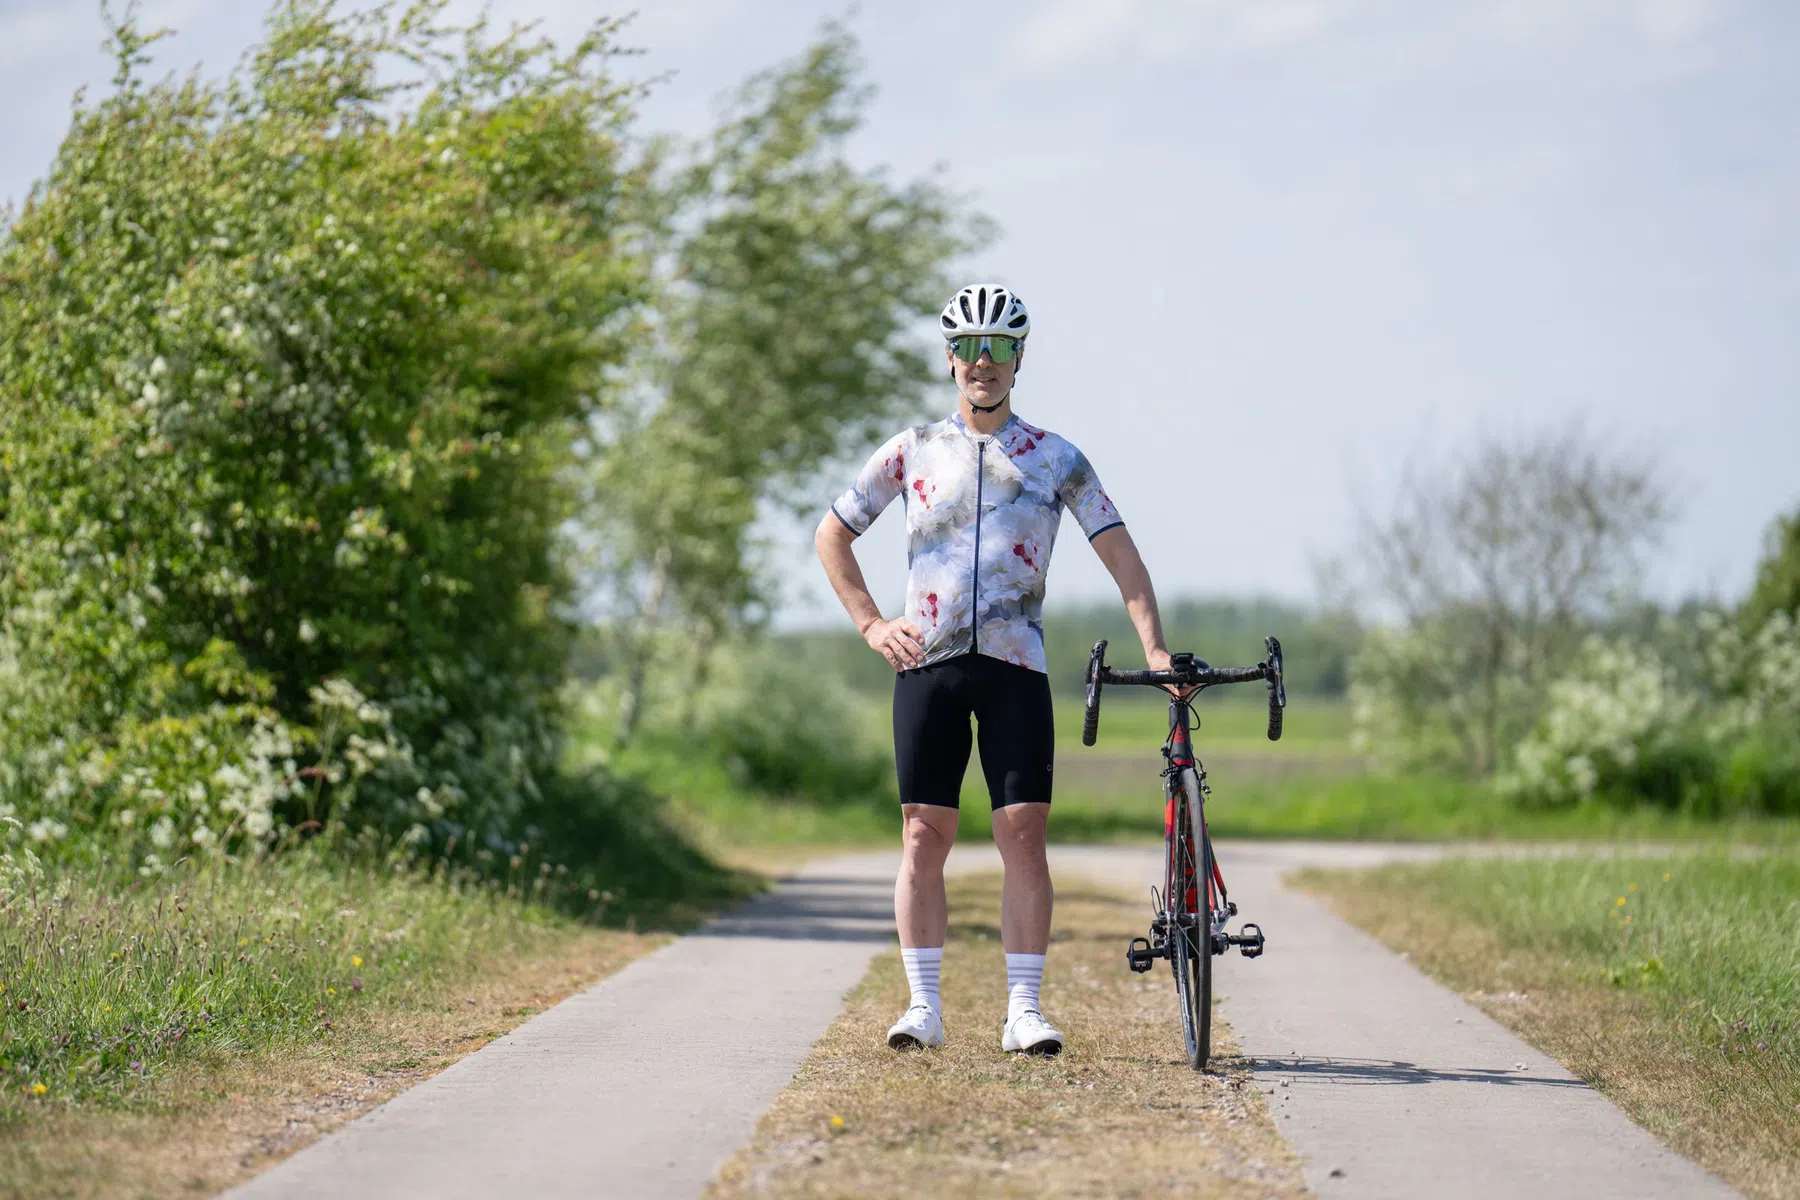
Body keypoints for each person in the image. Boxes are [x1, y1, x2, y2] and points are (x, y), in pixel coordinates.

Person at [815, 283, 1185, 1056]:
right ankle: (923, 1007)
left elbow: (1123, 556)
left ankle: (1024, 1010)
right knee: (924, 832)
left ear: (1021, 359)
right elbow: (832, 536)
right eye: (972, 347)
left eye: (1002, 347)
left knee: (1023, 833)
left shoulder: (1056, 457)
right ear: (950, 358)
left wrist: (1154, 649)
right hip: (931, 663)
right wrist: (872, 623)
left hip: (1017, 664)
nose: (985, 361)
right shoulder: (911, 449)